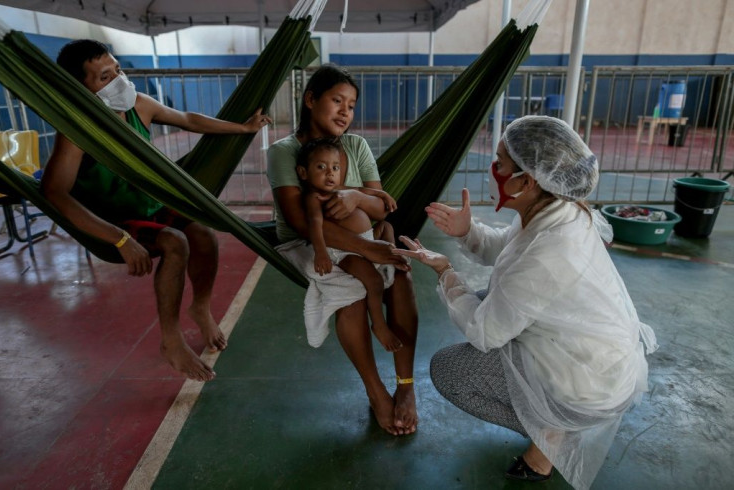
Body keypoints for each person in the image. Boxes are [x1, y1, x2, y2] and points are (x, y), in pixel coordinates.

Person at [394, 115, 658, 489]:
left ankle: (554, 433)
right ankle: (553, 422)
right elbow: (504, 247)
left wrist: (445, 271)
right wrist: (466, 230)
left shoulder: (549, 251)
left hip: (587, 384)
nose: (493, 168)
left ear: (527, 181)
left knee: (450, 371)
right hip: (593, 356)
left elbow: (484, 332)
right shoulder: (554, 209)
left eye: (500, 161)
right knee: (485, 300)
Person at [41, 39, 272, 382]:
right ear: (81, 88)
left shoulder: (138, 107)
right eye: (106, 77)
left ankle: (201, 308)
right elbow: (54, 193)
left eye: (118, 70)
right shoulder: (77, 134)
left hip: (150, 205)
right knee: (175, 242)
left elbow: (188, 119)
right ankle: (171, 339)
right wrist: (117, 239)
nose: (119, 81)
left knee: (205, 233)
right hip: (115, 220)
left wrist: (243, 129)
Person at [267, 64, 419, 435]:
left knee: (399, 277)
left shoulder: (356, 145)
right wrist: (369, 251)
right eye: (337, 101)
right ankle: (376, 392)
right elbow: (302, 222)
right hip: (309, 244)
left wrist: (354, 197)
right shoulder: (284, 152)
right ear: (310, 100)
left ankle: (406, 386)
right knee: (350, 293)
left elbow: (382, 207)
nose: (345, 112)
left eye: (351, 105)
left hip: (364, 240)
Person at [296, 136, 403, 352]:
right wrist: (321, 253)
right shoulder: (314, 197)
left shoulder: (339, 187)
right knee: (373, 282)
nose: (330, 173)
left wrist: (382, 193)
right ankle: (379, 325)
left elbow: (362, 191)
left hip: (368, 240)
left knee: (387, 227)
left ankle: (392, 260)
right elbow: (314, 225)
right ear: (304, 173)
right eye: (321, 166)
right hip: (346, 253)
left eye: (335, 167)